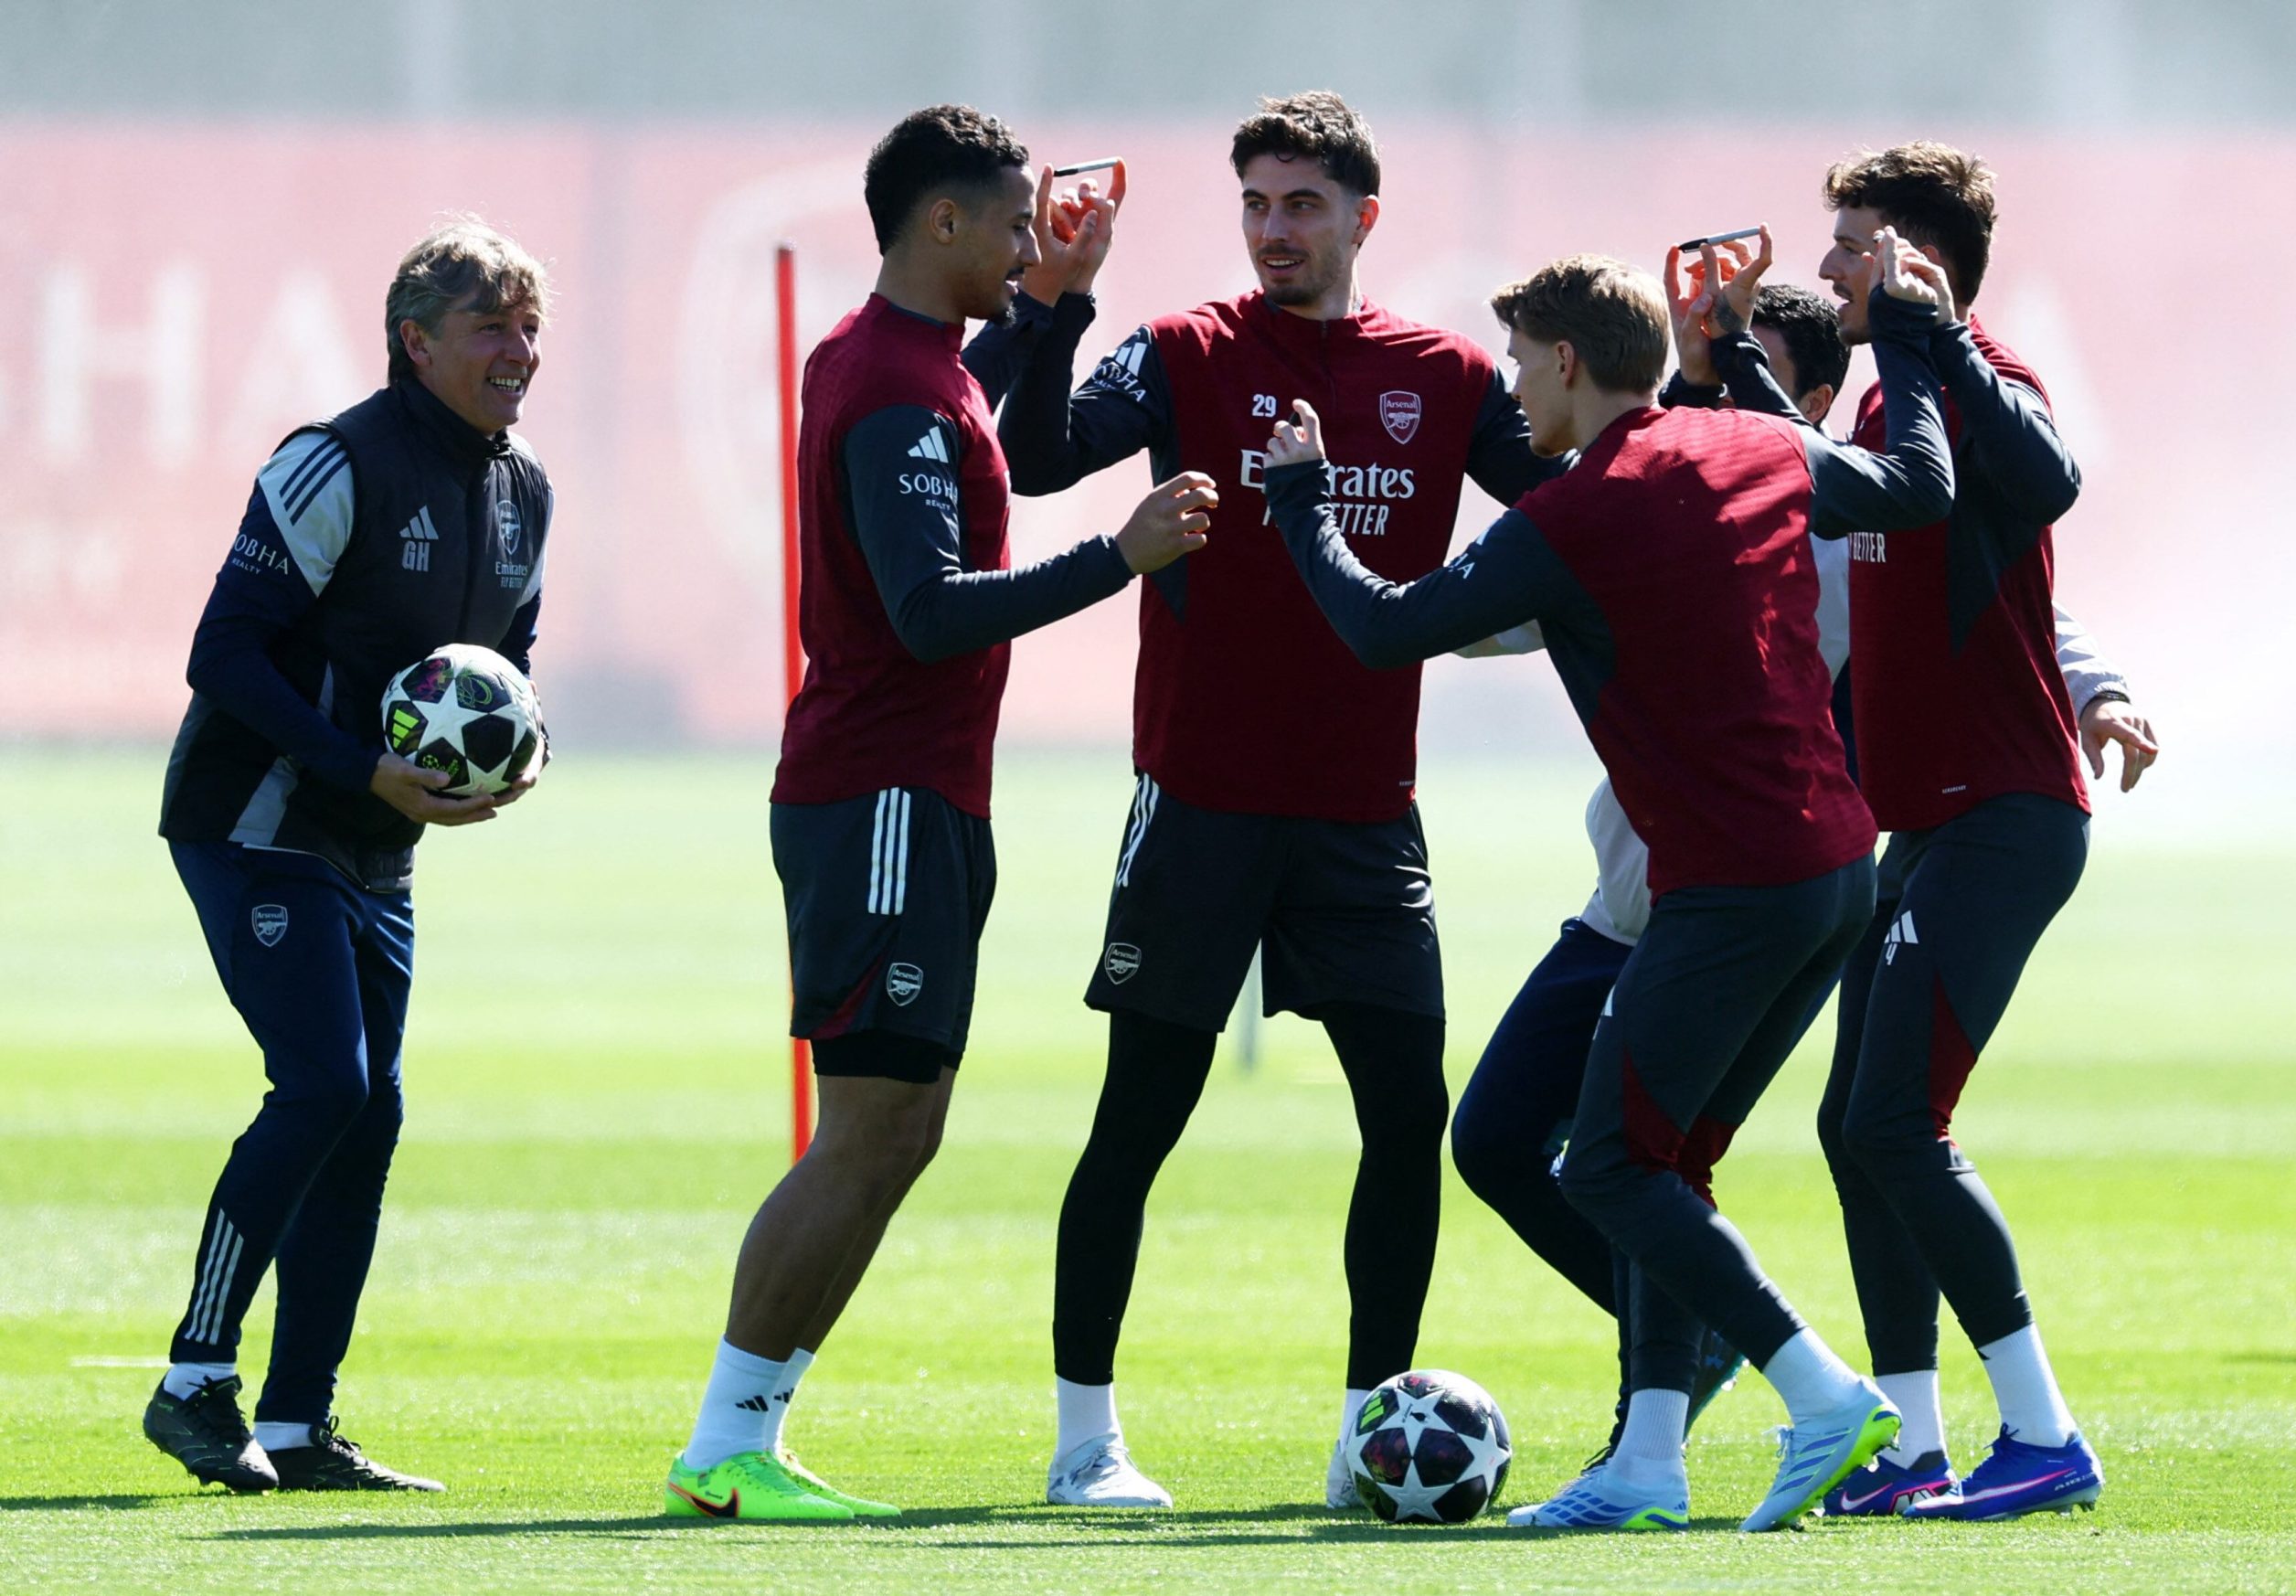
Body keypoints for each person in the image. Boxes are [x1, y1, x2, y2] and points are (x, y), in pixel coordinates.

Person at [1260, 242, 1960, 1532]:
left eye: (1523, 362)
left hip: (1731, 886)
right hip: (1830, 874)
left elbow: (1381, 629)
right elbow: (1922, 484)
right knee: (1663, 1163)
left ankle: (1820, 1392)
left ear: (1571, 361)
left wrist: (1301, 500)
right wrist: (1915, 341)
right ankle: (1646, 1465)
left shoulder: (1572, 514)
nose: (1516, 387)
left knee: (1607, 1167)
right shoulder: (1763, 444)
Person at [1449, 282, 2157, 1500]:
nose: (1714, 393)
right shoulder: (1655, 493)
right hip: (1630, 899)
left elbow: (2014, 600)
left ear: (1812, 399)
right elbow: (1491, 616)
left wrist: (2099, 688)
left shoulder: (1834, 518)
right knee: (1501, 1141)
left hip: (1737, 898)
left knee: (1649, 1159)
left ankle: (1668, 1435)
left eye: (1747, 370)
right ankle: (1705, 1366)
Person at [984, 90, 1560, 1513]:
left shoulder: (1446, 374)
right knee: (1138, 1119)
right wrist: (1058, 300)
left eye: (1302, 204)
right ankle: (1084, 1443)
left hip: (1365, 814)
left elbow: (1578, 502)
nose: (1274, 229)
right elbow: (1037, 456)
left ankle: (1370, 1436)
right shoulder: (1181, 349)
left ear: (1365, 215)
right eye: (1255, 203)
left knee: (1406, 1119)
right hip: (1202, 802)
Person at [659, 104, 1214, 1524]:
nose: (1032, 241)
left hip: (915, 794)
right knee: (870, 1128)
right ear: (943, 219)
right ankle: (724, 1445)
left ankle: (746, 1434)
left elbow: (981, 408)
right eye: (1017, 222)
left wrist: (1061, 304)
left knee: (900, 1129)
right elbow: (925, 612)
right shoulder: (896, 387)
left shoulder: (902, 362)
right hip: (882, 798)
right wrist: (1120, 554)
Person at [1706, 143, 2123, 1522]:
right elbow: (1819, 480)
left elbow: (2050, 479)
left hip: (2006, 815)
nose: (1828, 265)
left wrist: (1936, 334)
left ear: (1917, 258)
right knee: (1854, 1127)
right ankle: (1917, 1447)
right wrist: (1738, 360)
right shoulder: (1893, 392)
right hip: (1929, 830)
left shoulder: (1978, 366)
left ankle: (2046, 1436)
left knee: (1898, 1121)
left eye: (1852, 243)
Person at [147, 219, 554, 1493]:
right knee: (325, 1084)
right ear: (415, 341)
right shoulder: (336, 461)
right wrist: (355, 764)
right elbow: (222, 652)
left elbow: (503, 668)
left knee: (369, 1113)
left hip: (379, 843)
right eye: (489, 327)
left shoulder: (526, 490)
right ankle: (193, 1382)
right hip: (258, 816)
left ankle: (295, 1423)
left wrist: (520, 749)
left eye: (529, 327)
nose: (518, 351)